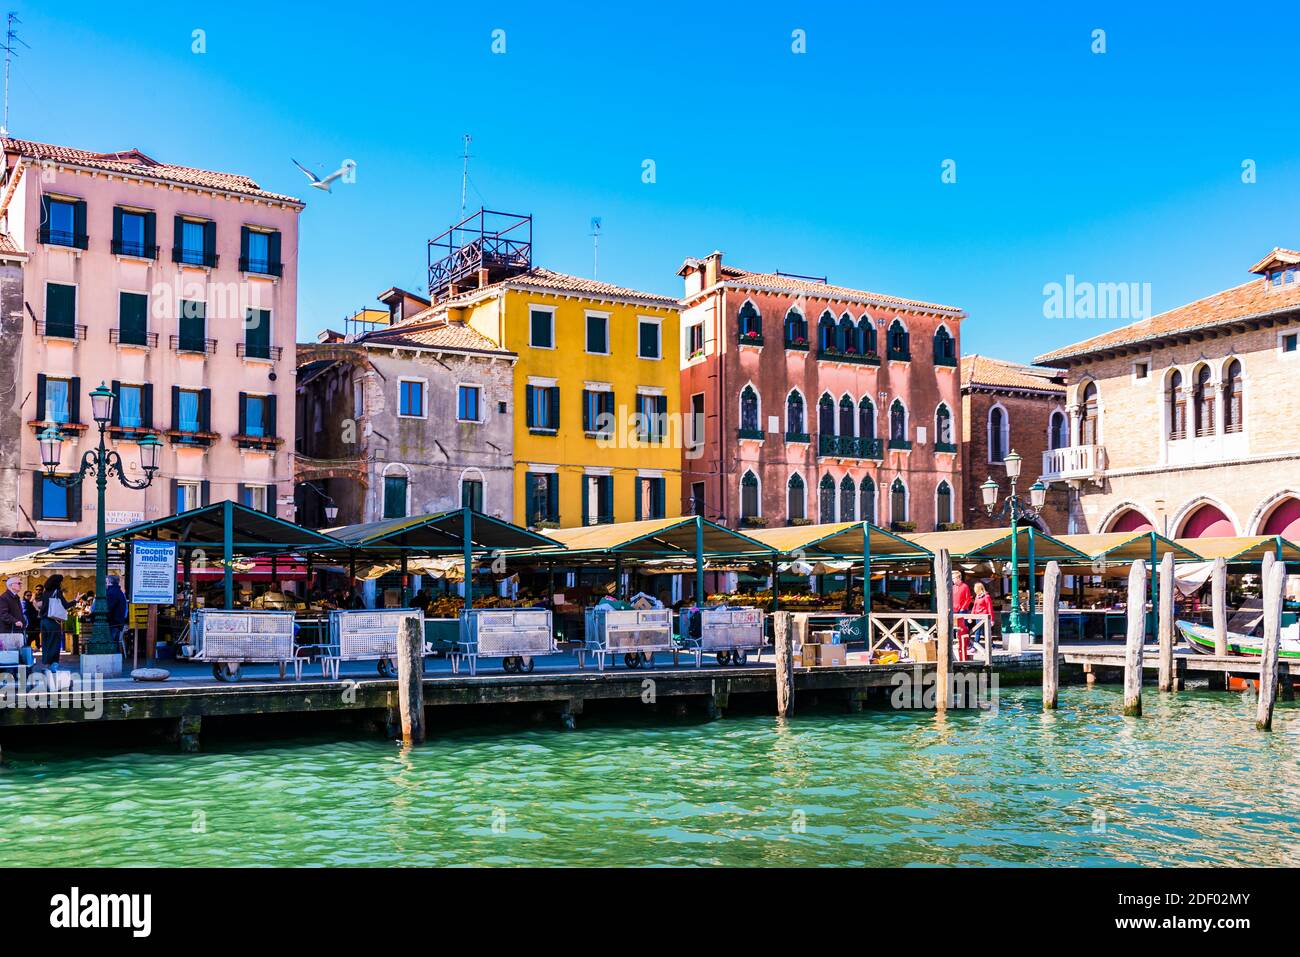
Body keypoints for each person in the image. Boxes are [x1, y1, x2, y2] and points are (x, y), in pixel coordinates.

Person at [0, 576, 34, 668]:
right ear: (11, 585)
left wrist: (23, 621)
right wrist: (15, 621)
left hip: (17, 631)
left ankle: (17, 674)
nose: (20, 585)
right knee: (9, 657)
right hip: (8, 633)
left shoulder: (16, 597)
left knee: (17, 656)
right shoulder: (4, 597)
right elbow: (3, 614)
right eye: (18, 583)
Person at [38, 574, 68, 671]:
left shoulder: (45, 592)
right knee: (55, 643)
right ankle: (53, 664)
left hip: (43, 621)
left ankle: (46, 664)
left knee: (46, 643)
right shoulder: (57, 592)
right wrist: (76, 600)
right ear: (57, 582)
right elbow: (66, 605)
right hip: (52, 621)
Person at [970, 581, 995, 657]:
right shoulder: (977, 596)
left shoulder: (986, 597)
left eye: (975, 588)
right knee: (982, 632)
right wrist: (971, 616)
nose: (974, 590)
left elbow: (989, 608)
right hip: (978, 617)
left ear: (979, 588)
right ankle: (992, 645)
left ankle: (975, 647)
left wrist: (992, 619)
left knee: (980, 632)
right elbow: (974, 607)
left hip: (984, 617)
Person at [106, 574, 129, 655]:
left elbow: (108, 608)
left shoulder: (111, 593)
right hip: (119, 622)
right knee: (115, 644)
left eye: (106, 582)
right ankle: (116, 661)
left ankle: (111, 663)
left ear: (109, 582)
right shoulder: (120, 593)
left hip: (112, 622)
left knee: (110, 644)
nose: (105, 584)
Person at [951, 569, 973, 654]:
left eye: (954, 578)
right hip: (954, 609)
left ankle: (965, 644)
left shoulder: (965, 586)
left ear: (958, 578)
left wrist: (963, 608)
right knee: (953, 627)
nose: (953, 580)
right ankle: (955, 642)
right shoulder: (952, 587)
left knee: (963, 627)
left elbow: (968, 599)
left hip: (961, 610)